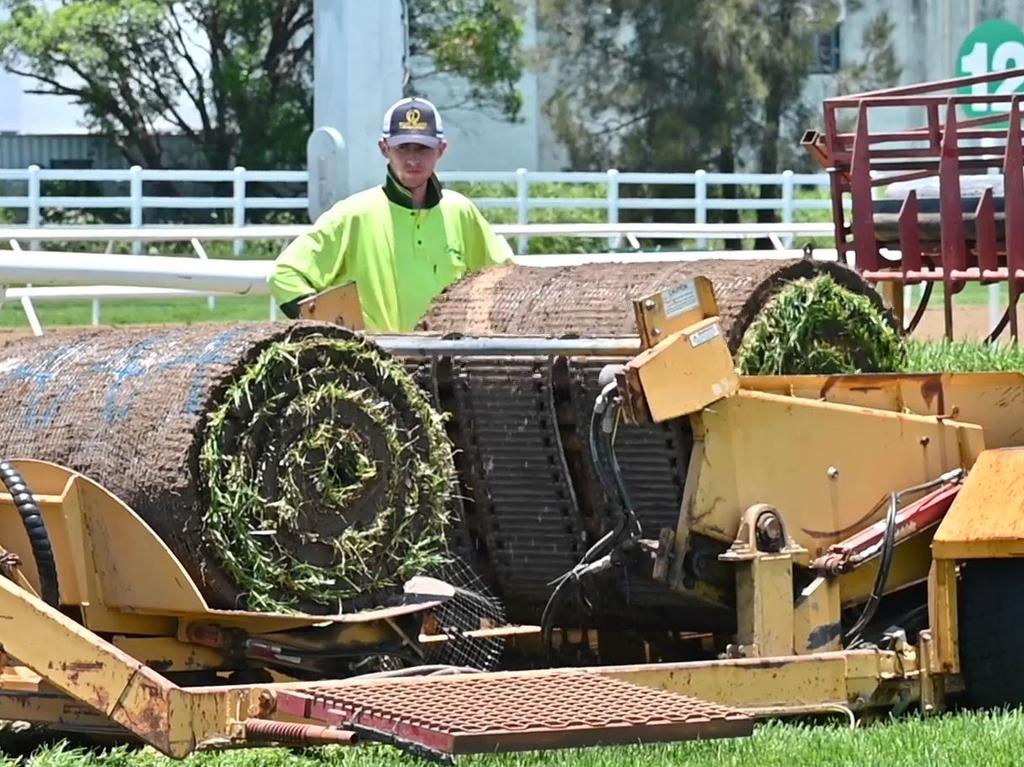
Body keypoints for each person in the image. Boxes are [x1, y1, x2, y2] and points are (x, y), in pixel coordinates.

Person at [269, 97, 512, 332]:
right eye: (403, 147)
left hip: (450, 364)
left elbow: (506, 279)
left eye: (423, 148)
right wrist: (329, 333)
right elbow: (285, 274)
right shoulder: (354, 214)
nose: (412, 159)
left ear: (441, 149)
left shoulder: (461, 212)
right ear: (384, 148)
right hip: (380, 366)